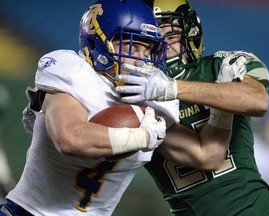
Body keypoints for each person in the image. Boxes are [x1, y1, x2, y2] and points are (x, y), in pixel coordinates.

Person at [0, 1, 172, 215]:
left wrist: (218, 117)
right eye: (132, 46)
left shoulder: (158, 97)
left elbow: (206, 158)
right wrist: (144, 137)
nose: (141, 60)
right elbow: (69, 139)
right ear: (97, 41)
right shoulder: (72, 72)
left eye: (148, 50)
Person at [115, 0, 269, 215]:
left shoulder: (217, 65)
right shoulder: (135, 96)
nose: (163, 47)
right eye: (152, 41)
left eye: (170, 35)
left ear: (190, 33)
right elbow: (208, 157)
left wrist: (173, 88)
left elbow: (258, 101)